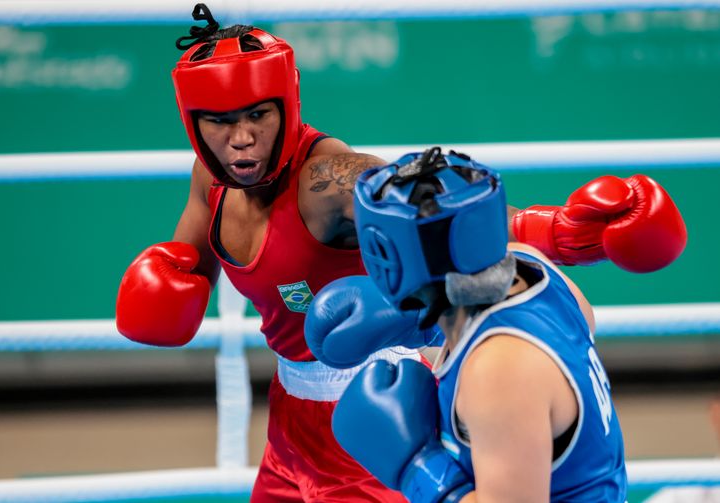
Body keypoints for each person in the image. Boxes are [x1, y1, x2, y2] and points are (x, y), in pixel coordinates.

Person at [115, 3, 685, 500]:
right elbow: (188, 261)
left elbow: (433, 208)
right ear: (195, 125)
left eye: (258, 117)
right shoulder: (209, 181)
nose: (240, 138)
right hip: (290, 423)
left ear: (285, 106)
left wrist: (568, 232)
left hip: (376, 405)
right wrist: (166, 281)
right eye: (220, 122)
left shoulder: (327, 179)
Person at [309, 148, 629, 501]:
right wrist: (423, 317)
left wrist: (419, 468)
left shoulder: (498, 369)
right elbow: (579, 331)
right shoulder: (537, 268)